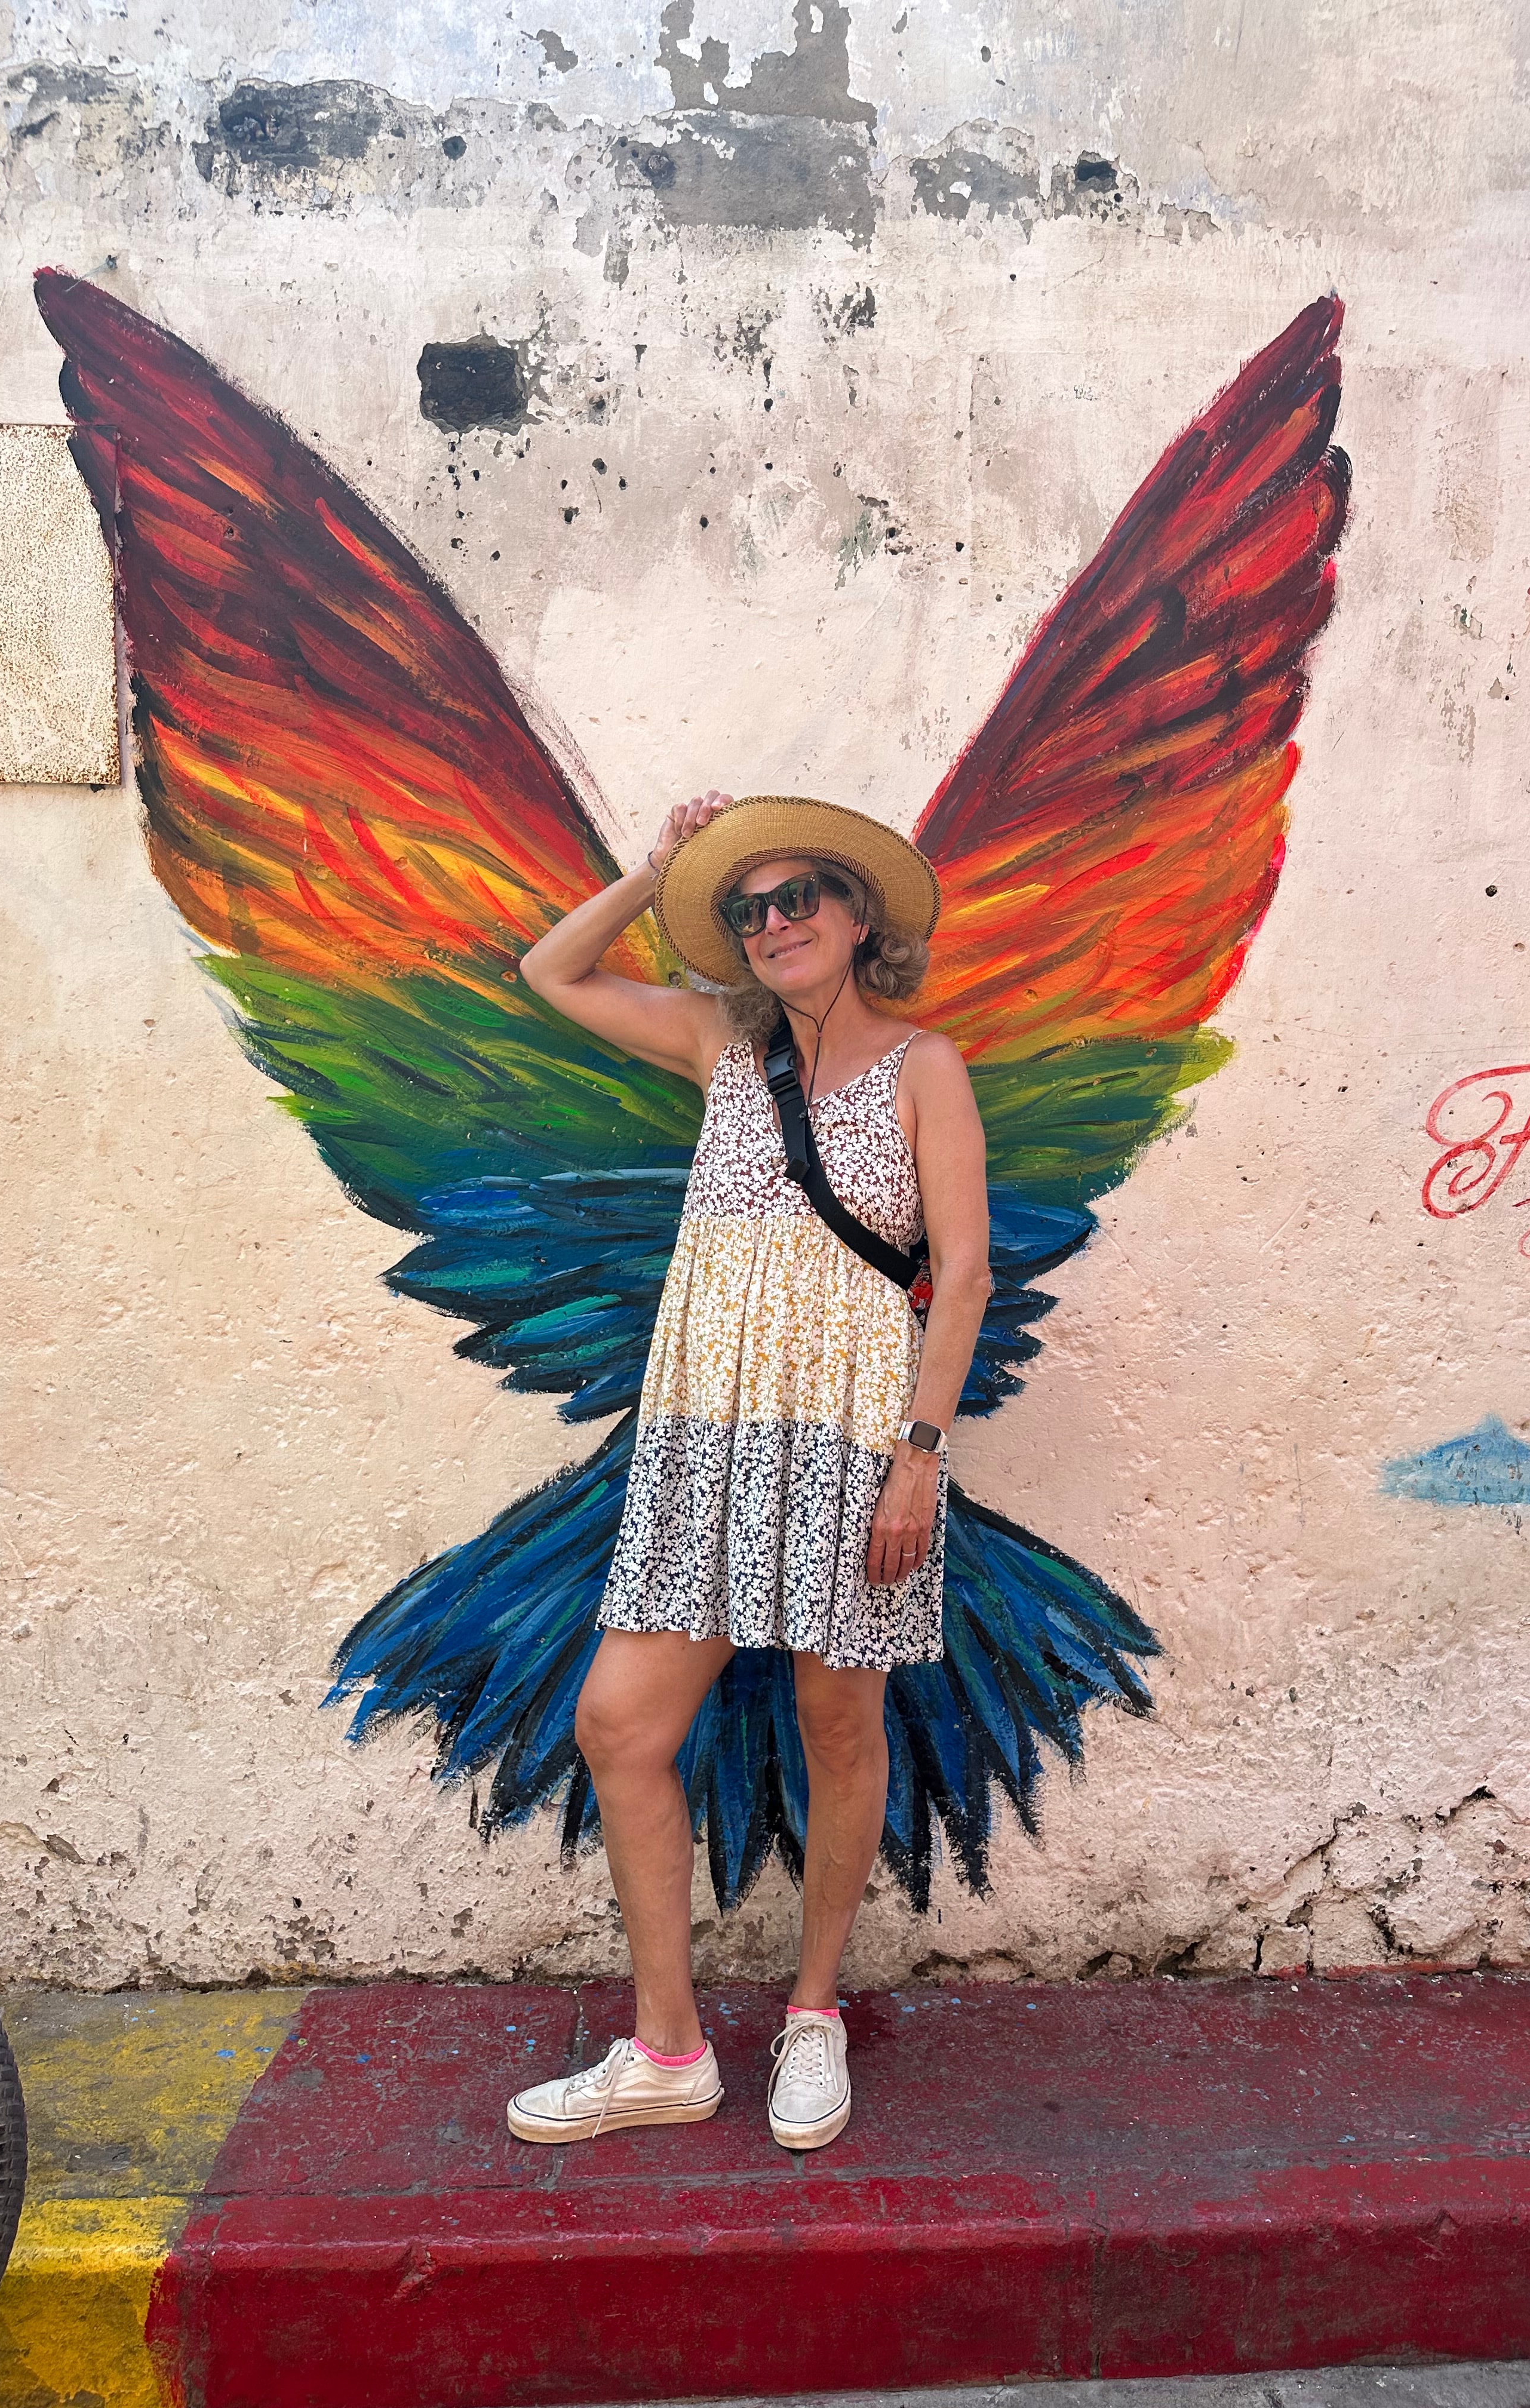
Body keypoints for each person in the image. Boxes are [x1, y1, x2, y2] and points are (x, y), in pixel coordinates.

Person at [505, 790, 991, 2151]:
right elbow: (553, 970)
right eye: (747, 907)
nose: (774, 923)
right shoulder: (725, 1044)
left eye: (799, 900)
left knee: (840, 1729)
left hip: (855, 1444)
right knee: (623, 1725)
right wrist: (653, 871)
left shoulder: (923, 1067)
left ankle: (815, 2012)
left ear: (856, 920)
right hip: (704, 1440)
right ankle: (667, 2049)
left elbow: (960, 1279)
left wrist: (921, 1459)